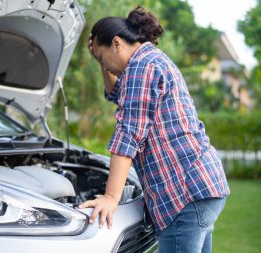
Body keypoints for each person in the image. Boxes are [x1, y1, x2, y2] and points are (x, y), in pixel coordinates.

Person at [78, 5, 230, 253]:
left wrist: (111, 197)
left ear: (117, 43)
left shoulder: (141, 68)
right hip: (201, 185)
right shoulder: (148, 61)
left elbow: (128, 133)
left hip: (185, 193)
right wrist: (101, 60)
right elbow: (116, 93)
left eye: (102, 57)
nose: (105, 67)